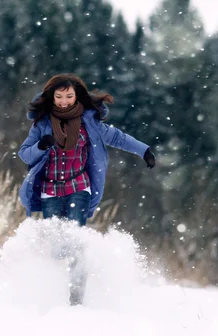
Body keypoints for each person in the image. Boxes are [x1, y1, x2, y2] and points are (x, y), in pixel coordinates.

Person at [18, 73, 155, 305]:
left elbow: (118, 138)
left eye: (69, 96)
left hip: (78, 187)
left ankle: (76, 299)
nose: (64, 101)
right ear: (51, 97)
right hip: (50, 189)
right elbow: (24, 153)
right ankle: (49, 292)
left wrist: (144, 150)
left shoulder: (89, 122)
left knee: (76, 241)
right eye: (59, 96)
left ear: (76, 96)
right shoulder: (42, 123)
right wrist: (41, 145)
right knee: (57, 247)